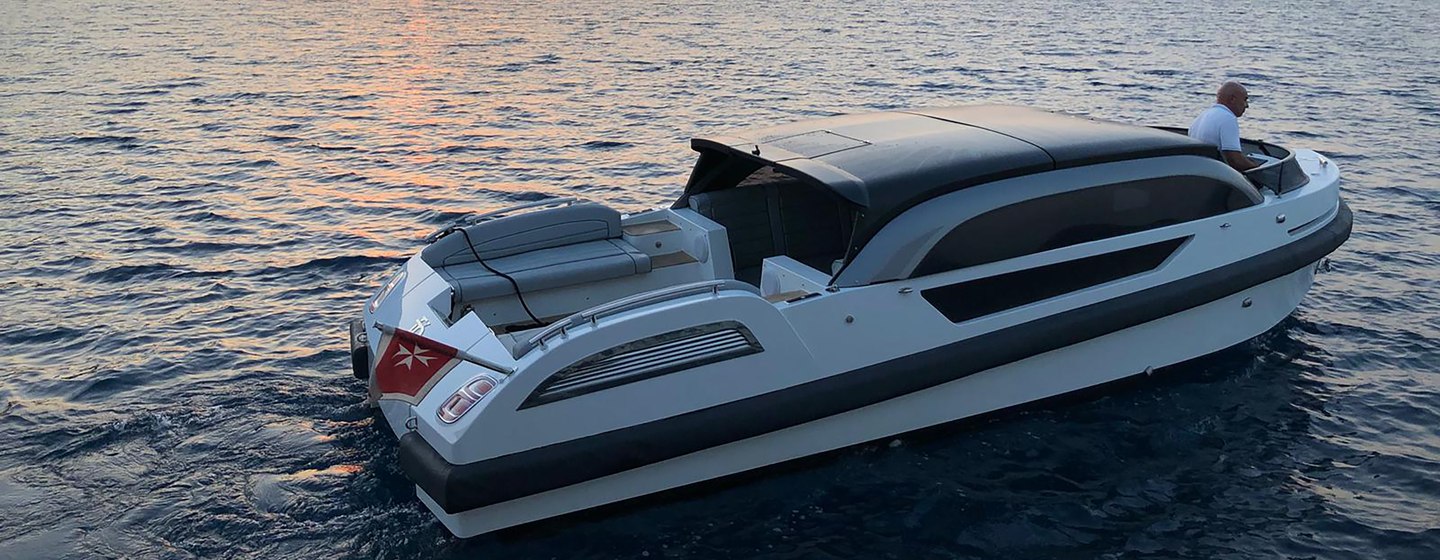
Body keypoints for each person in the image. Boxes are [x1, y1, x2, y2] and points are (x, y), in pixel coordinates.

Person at [1189, 81, 1259, 172]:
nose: (1247, 105)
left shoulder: (1202, 116)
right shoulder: (1228, 118)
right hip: (1215, 176)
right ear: (1232, 99)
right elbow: (1235, 160)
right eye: (1245, 100)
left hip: (1199, 171)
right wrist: (1258, 169)